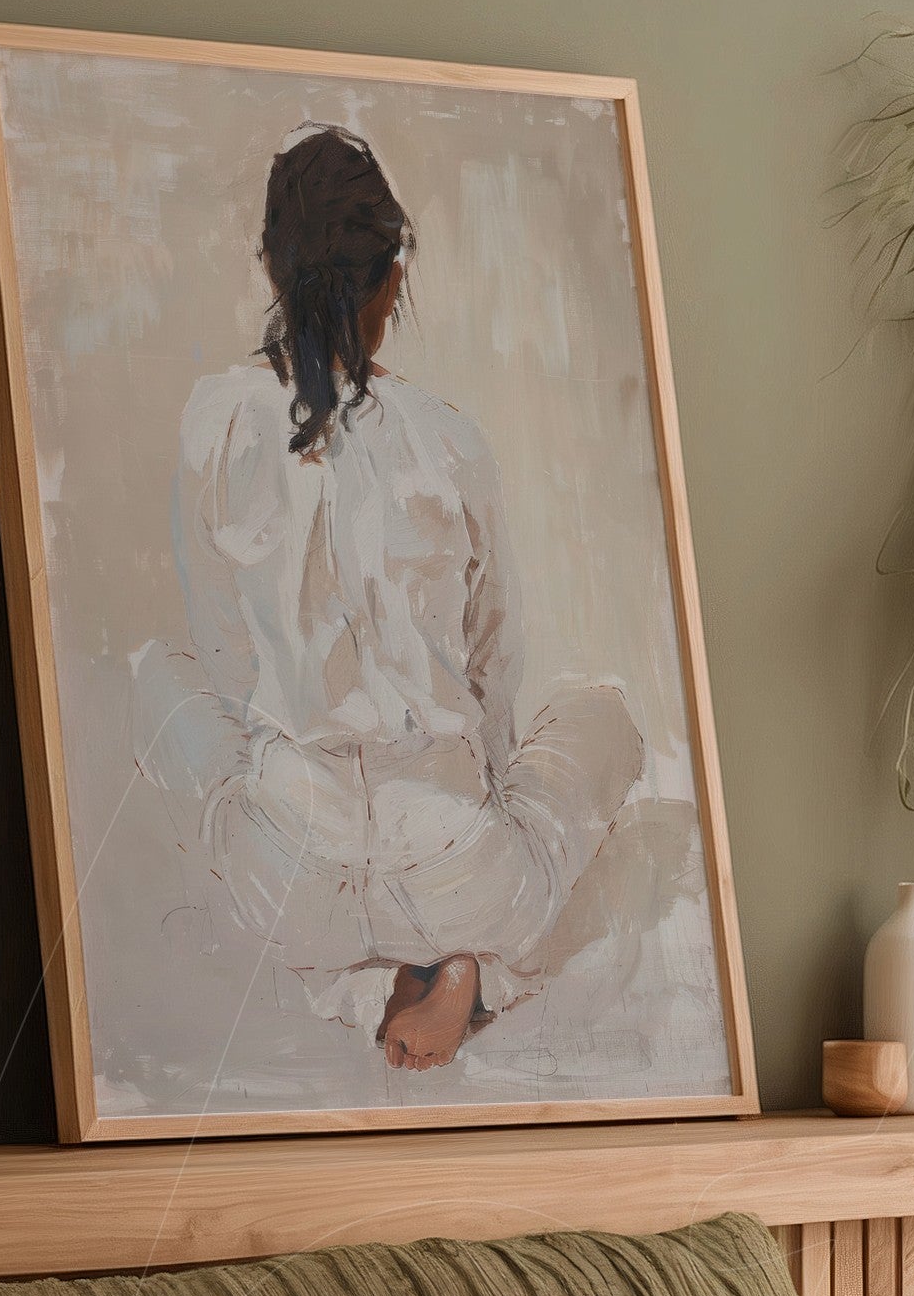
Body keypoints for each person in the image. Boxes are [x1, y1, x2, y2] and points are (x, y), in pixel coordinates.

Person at [152, 124, 642, 1072]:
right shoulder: (451, 441)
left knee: (156, 685)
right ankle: (472, 973)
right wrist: (482, 805)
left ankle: (353, 987)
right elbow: (498, 667)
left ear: (270, 265)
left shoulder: (212, 420)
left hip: (290, 882)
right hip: (460, 870)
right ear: (394, 276)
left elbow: (219, 659)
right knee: (604, 716)